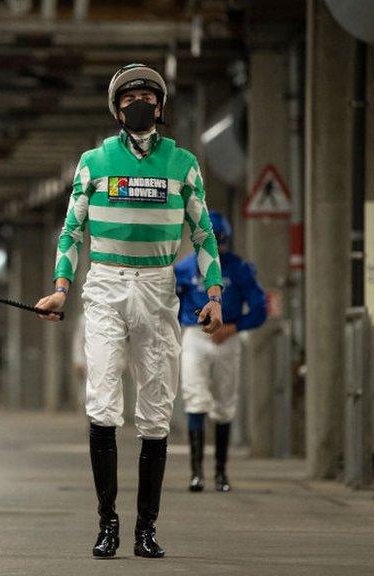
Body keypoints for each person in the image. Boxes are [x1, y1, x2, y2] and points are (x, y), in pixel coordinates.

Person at [35, 63, 223, 559]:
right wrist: (60, 288)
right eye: (129, 97)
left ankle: (146, 528)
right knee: (102, 402)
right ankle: (107, 524)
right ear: (117, 108)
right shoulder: (94, 161)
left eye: (147, 96)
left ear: (160, 107)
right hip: (106, 285)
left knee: (156, 412)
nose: (138, 103)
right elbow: (72, 231)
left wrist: (214, 294)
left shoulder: (183, 164)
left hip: (159, 288)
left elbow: (203, 234)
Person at [175, 211, 266, 493]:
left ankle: (221, 472)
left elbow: (259, 308)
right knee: (195, 398)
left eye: (221, 242)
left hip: (227, 338)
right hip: (195, 336)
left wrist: (234, 326)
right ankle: (196, 473)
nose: (217, 248)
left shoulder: (239, 269)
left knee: (225, 403)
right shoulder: (184, 269)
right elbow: (173, 305)